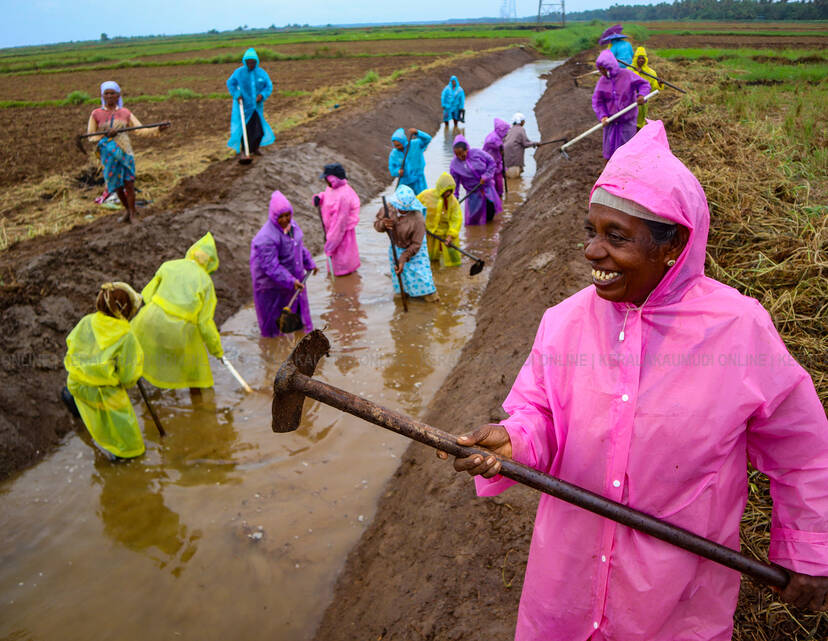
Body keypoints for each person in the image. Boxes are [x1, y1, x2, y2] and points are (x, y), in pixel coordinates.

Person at [438, 121, 828, 640]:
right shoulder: (564, 322)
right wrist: (511, 442)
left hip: (673, 598)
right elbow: (542, 417)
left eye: (616, 237)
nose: (592, 252)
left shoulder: (739, 330)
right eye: (591, 231)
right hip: (567, 584)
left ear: (675, 245)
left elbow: (803, 453)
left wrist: (807, 549)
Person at [64, 282, 145, 460]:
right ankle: (122, 459)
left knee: (78, 400)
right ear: (126, 309)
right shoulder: (126, 335)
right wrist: (122, 380)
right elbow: (128, 376)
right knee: (131, 445)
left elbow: (71, 344)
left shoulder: (87, 321)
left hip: (76, 383)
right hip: (103, 392)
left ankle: (80, 417)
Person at [132, 232, 224, 389]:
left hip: (150, 318)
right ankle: (199, 405)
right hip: (180, 330)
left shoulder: (169, 265)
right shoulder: (206, 282)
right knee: (195, 373)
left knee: (139, 356)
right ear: (211, 263)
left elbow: (146, 294)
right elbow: (204, 323)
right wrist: (216, 350)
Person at [86, 81, 169, 223]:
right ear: (102, 96)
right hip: (108, 153)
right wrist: (105, 135)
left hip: (125, 151)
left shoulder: (125, 113)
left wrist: (158, 129)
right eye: (107, 93)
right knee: (117, 186)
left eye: (113, 93)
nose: (110, 96)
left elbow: (140, 130)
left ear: (118, 95)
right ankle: (128, 211)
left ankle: (133, 214)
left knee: (129, 183)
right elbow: (91, 136)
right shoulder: (96, 114)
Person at [250, 191, 318, 337]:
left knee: (299, 318)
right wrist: (291, 281)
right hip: (270, 287)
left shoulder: (292, 227)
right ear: (273, 216)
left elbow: (299, 246)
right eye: (280, 217)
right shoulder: (265, 238)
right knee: (273, 326)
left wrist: (309, 263)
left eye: (287, 215)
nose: (285, 219)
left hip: (292, 280)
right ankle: (273, 353)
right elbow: (270, 266)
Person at [373, 185, 438, 302]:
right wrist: (383, 224)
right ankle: (404, 294)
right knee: (400, 277)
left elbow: (416, 244)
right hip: (396, 246)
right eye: (400, 208)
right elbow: (376, 225)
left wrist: (403, 258)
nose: (402, 210)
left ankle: (431, 297)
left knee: (423, 279)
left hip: (415, 249)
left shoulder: (418, 219)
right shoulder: (388, 209)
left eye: (406, 209)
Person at [592, 50, 650, 160]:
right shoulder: (602, 82)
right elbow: (598, 101)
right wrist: (603, 115)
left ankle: (627, 173)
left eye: (603, 69)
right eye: (600, 70)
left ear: (610, 66)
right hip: (611, 122)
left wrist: (641, 95)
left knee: (627, 151)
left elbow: (644, 84)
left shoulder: (627, 75)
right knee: (609, 152)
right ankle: (609, 173)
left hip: (627, 121)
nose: (602, 72)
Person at [313, 163, 360, 277]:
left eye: (326, 178)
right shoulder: (332, 187)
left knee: (342, 270)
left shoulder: (343, 196)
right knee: (337, 264)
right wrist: (320, 197)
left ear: (333, 178)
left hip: (341, 237)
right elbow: (329, 197)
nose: (325, 181)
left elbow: (339, 225)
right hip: (333, 233)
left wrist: (330, 245)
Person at [226, 48, 275, 157]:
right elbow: (231, 83)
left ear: (256, 62)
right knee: (245, 130)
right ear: (245, 62)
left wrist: (262, 95)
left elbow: (268, 86)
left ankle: (255, 148)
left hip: (256, 107)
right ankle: (244, 151)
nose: (251, 64)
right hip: (244, 107)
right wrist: (237, 95)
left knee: (259, 131)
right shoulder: (239, 73)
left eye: (253, 62)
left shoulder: (261, 73)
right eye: (248, 62)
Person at [449, 134, 502, 226]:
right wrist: (455, 198)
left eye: (462, 154)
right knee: (475, 217)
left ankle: (489, 232)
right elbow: (455, 183)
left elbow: (491, 163)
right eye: (457, 155)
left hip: (487, 189)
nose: (460, 157)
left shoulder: (477, 153)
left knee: (490, 213)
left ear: (467, 149)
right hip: (473, 194)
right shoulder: (454, 165)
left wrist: (486, 176)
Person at [417, 172, 463, 267]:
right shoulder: (425, 196)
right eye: (446, 191)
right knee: (430, 260)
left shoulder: (452, 201)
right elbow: (414, 209)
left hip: (445, 234)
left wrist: (451, 235)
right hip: (429, 233)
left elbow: (456, 219)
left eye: (450, 191)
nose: (448, 194)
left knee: (453, 262)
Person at [388, 127, 432, 195]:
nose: (397, 147)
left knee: (422, 199)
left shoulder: (416, 144)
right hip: (405, 182)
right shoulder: (394, 154)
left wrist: (417, 133)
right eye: (395, 145)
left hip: (419, 181)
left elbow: (427, 139)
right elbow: (392, 168)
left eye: (398, 145)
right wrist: (398, 171)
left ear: (403, 141)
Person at [631, 46, 664, 129]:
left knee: (640, 124)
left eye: (643, 58)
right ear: (635, 59)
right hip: (630, 103)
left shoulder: (651, 72)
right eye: (639, 58)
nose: (641, 60)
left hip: (643, 103)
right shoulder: (629, 71)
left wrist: (659, 84)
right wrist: (637, 73)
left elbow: (653, 88)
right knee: (631, 124)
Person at [503, 113, 539, 178]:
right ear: (521, 122)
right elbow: (525, 143)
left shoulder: (510, 129)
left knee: (508, 179)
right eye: (524, 121)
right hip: (514, 159)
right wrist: (535, 143)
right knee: (514, 179)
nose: (524, 122)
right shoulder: (521, 129)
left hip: (505, 159)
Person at [482, 118, 510, 198]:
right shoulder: (493, 137)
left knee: (499, 182)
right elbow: (489, 142)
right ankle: (494, 198)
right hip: (489, 164)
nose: (506, 133)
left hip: (497, 163)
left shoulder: (499, 137)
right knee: (492, 182)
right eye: (505, 131)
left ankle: (499, 197)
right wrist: (499, 146)